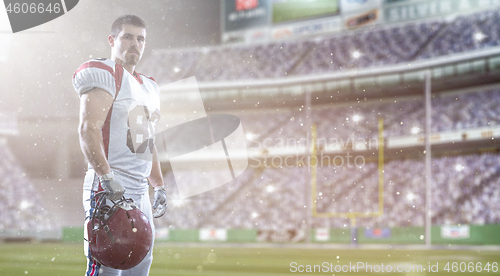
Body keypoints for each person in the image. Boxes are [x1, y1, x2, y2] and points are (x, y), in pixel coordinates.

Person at [72, 14, 167, 276]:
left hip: (139, 189)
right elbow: (87, 128)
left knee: (141, 264)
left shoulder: (149, 86)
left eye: (140, 39)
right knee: (106, 268)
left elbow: (145, 141)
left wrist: (158, 185)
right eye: (127, 36)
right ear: (112, 40)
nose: (135, 44)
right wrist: (106, 175)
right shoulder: (105, 72)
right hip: (109, 185)